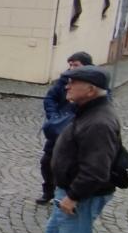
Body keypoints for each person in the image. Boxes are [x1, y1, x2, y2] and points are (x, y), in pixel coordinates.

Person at [18, 66, 120, 233]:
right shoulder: (87, 110)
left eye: (74, 82)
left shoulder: (99, 122)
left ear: (91, 89)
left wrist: (73, 197)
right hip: (66, 189)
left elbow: (96, 170)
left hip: (81, 195)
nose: (67, 86)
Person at [38, 51, 91, 205]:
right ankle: (48, 191)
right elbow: (50, 98)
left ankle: (68, 194)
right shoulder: (64, 80)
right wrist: (54, 117)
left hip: (76, 131)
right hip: (58, 128)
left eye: (76, 65)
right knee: (47, 162)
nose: (72, 68)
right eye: (71, 64)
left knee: (70, 164)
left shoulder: (94, 83)